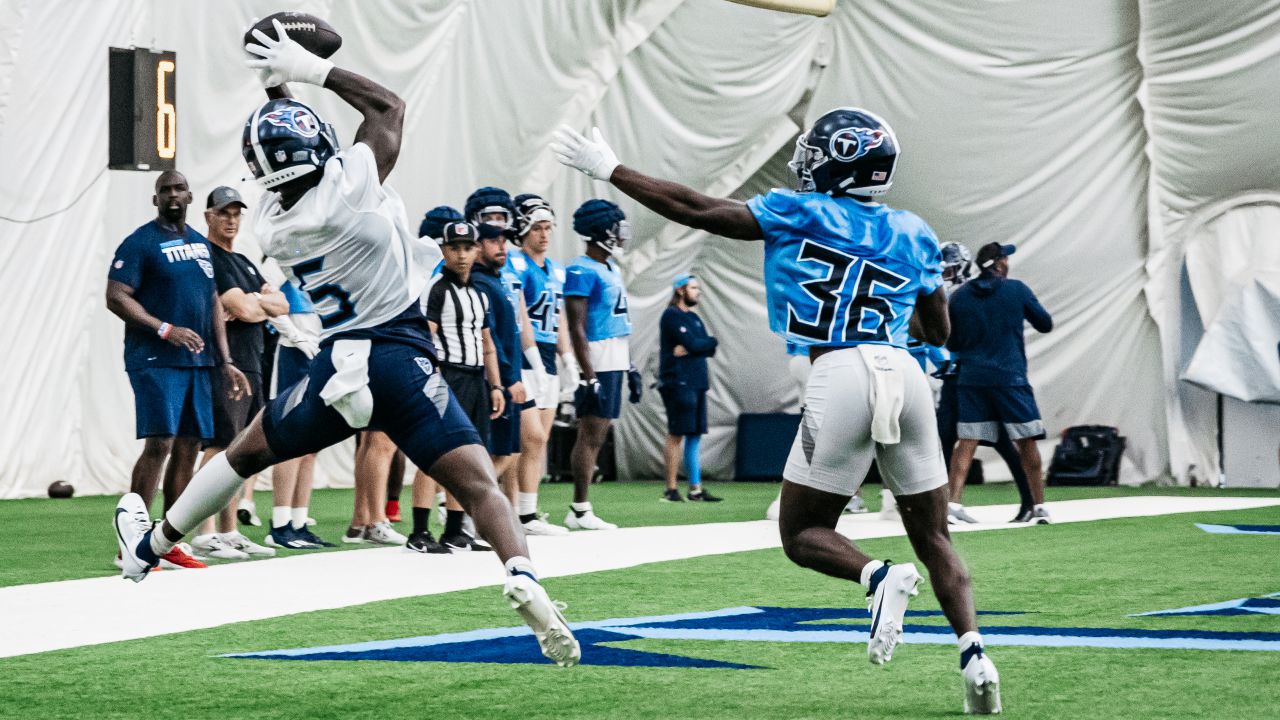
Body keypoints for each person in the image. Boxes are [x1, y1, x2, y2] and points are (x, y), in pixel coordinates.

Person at [114, 20, 578, 668]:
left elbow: (283, 151)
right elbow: (388, 106)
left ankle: (150, 548)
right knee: (478, 486)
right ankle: (523, 575)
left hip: (338, 371)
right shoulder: (349, 184)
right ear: (324, 147)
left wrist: (274, 86)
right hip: (399, 356)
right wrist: (309, 69)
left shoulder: (275, 223)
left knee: (243, 457)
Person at [552, 108, 1002, 712]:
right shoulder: (914, 230)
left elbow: (694, 207)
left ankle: (876, 577)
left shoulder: (801, 210)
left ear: (837, 160)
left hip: (838, 368)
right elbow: (938, 329)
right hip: (906, 371)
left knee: (803, 532)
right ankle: (974, 651)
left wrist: (611, 170)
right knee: (935, 535)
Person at [106, 170, 249, 571]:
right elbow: (115, 296)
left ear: (189, 197)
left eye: (179, 189)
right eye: (165, 190)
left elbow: (213, 306)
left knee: (189, 447)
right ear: (156, 200)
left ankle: (165, 540)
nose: (172, 195)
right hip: (155, 359)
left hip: (199, 363)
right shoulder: (140, 243)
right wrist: (163, 329)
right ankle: (128, 545)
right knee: (160, 444)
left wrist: (227, 361)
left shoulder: (201, 246)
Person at [190, 186, 283, 560]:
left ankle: (228, 531)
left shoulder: (244, 261)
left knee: (241, 450)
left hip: (254, 362)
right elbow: (239, 309)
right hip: (225, 366)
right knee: (218, 447)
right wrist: (257, 304)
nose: (231, 219)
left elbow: (280, 304)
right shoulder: (207, 257)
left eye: (236, 213)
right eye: (224, 212)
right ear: (208, 216)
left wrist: (256, 303)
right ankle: (204, 531)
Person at [945, 241, 1053, 526]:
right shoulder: (1016, 289)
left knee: (966, 442)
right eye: (1006, 258)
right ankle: (1039, 506)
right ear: (999, 264)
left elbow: (951, 340)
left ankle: (953, 504)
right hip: (1010, 378)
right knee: (1026, 440)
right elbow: (1044, 323)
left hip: (971, 379)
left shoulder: (960, 296)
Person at [417, 220, 508, 553]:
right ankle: (419, 530)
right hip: (447, 376)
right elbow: (426, 336)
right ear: (443, 251)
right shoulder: (436, 290)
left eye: (467, 247)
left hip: (475, 378)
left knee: (468, 455)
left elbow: (487, 344)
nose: (461, 255)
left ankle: (457, 530)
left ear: (477, 249)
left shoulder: (478, 294)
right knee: (432, 453)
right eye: (454, 248)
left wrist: (496, 386)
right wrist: (432, 378)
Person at [562, 199, 642, 531]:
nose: (621, 235)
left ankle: (582, 507)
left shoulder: (609, 267)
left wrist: (630, 363)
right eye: (616, 227)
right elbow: (576, 327)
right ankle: (579, 508)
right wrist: (588, 373)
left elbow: (615, 321)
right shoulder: (581, 269)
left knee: (600, 433)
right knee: (591, 434)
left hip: (614, 354)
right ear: (601, 231)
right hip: (597, 355)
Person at [506, 194, 574, 534]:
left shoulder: (557, 269)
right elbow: (521, 316)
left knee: (539, 441)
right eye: (537, 227)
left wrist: (568, 359)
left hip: (547, 356)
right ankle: (510, 511)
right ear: (523, 229)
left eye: (548, 227)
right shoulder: (515, 264)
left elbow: (558, 318)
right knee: (525, 438)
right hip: (524, 355)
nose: (544, 234)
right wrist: (532, 358)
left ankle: (528, 514)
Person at [657, 273, 721, 502]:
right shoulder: (671, 316)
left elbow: (710, 346)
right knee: (676, 434)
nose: (698, 292)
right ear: (680, 290)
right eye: (694, 288)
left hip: (698, 382)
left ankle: (696, 489)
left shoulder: (694, 318)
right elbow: (695, 343)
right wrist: (698, 346)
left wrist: (700, 346)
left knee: (694, 435)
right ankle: (670, 489)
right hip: (678, 382)